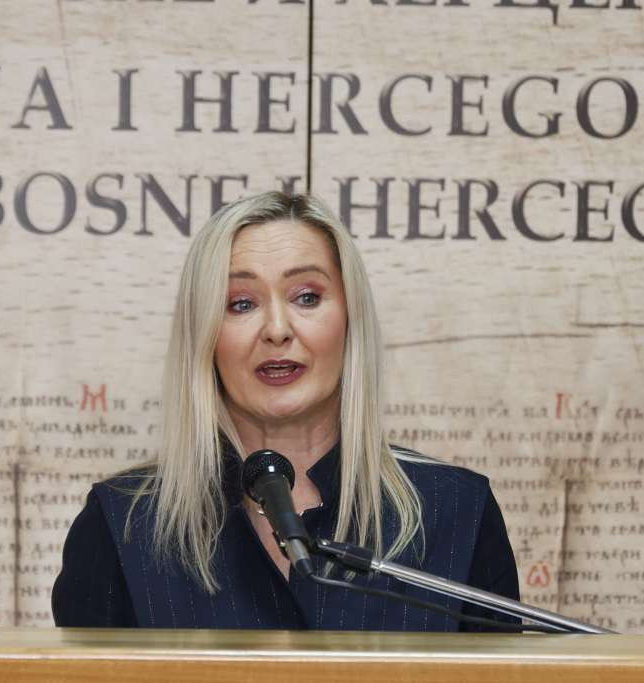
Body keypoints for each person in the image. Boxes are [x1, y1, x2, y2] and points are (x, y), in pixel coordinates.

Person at [52, 191, 519, 630]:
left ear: (350, 320)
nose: (277, 329)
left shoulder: (458, 509)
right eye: (240, 304)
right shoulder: (122, 522)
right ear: (205, 335)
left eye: (307, 297)